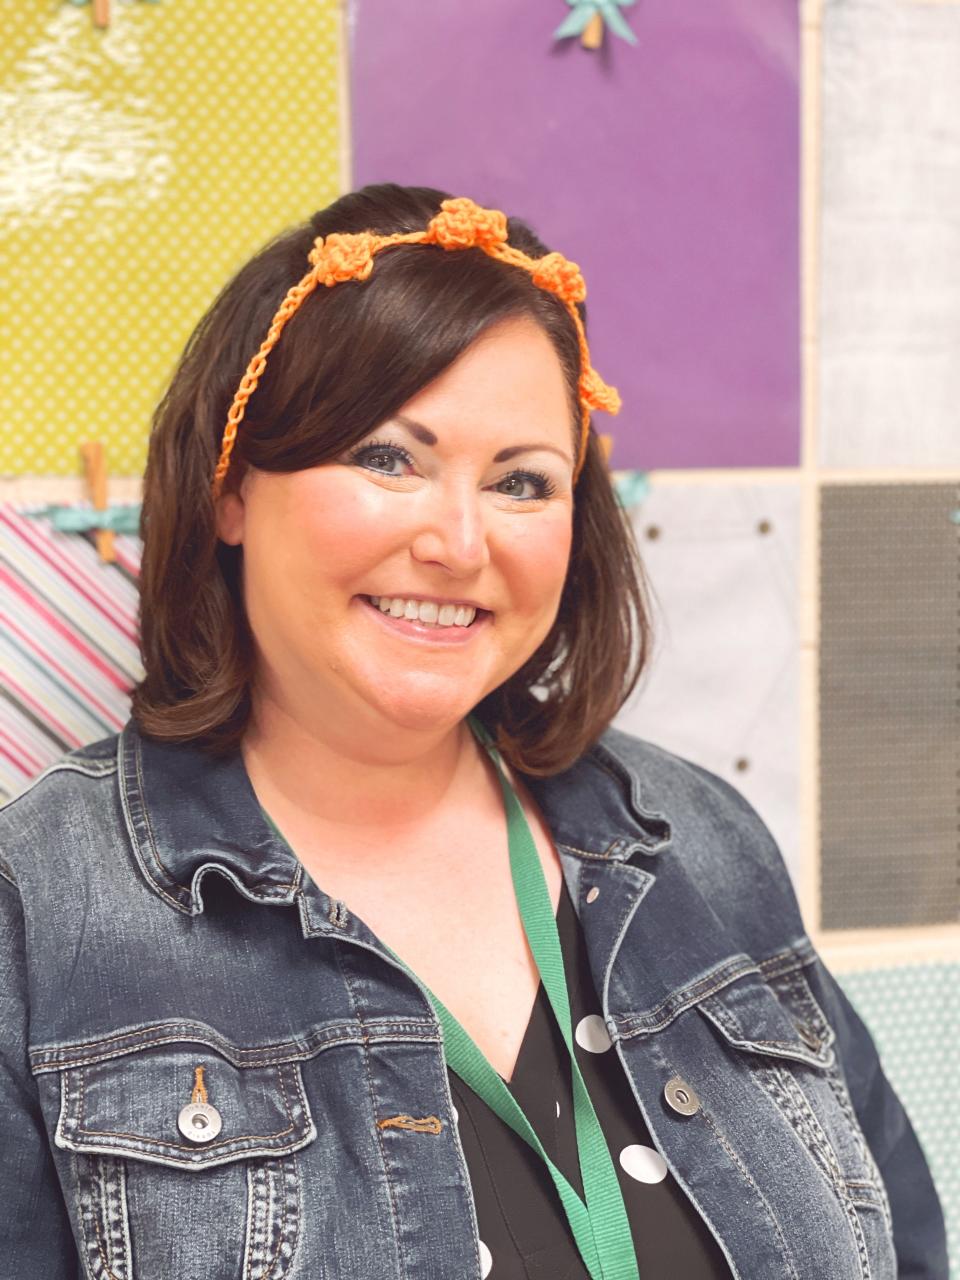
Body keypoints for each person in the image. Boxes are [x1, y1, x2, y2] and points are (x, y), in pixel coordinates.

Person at [0, 184, 948, 1279]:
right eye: (388, 457)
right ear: (233, 487)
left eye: (522, 481)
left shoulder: (697, 835)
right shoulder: (42, 904)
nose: (459, 540)